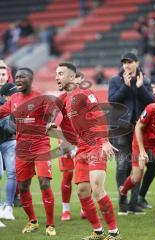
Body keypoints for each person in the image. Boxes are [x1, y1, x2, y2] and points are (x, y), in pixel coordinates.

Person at [55, 62, 121, 240]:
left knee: (97, 189)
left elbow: (99, 116)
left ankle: (114, 233)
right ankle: (98, 231)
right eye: (56, 73)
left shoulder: (85, 93)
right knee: (83, 191)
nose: (56, 77)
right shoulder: (65, 98)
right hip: (81, 148)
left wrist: (105, 142)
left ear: (71, 77)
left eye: (60, 73)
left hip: (96, 144)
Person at [0, 68, 61, 236]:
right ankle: (32, 221)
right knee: (23, 186)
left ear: (31, 78)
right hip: (22, 148)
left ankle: (50, 225)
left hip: (41, 146)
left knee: (44, 182)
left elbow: (55, 111)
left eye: (22, 77)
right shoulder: (13, 99)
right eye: (17, 77)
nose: (18, 79)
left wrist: (53, 122)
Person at [108, 52, 155, 215]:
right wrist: (125, 87)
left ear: (137, 63)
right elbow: (112, 101)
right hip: (120, 129)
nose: (126, 65)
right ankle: (123, 203)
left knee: (138, 165)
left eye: (129, 62)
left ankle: (133, 204)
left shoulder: (145, 80)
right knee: (123, 165)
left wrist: (140, 87)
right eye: (124, 63)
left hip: (139, 129)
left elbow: (151, 104)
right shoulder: (115, 80)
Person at [120, 102, 155, 212]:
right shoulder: (152, 108)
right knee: (137, 176)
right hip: (140, 142)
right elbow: (138, 127)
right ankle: (123, 191)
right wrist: (142, 151)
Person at [58, 71, 86, 221]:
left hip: (83, 142)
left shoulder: (86, 98)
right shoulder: (61, 99)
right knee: (68, 175)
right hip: (67, 142)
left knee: (84, 177)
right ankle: (65, 210)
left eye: (80, 82)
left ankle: (85, 208)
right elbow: (55, 120)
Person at [0, 83, 17, 221]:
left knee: (12, 172)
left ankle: (9, 207)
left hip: (9, 141)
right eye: (12, 94)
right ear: (4, 96)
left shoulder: (17, 102)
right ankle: (0, 208)